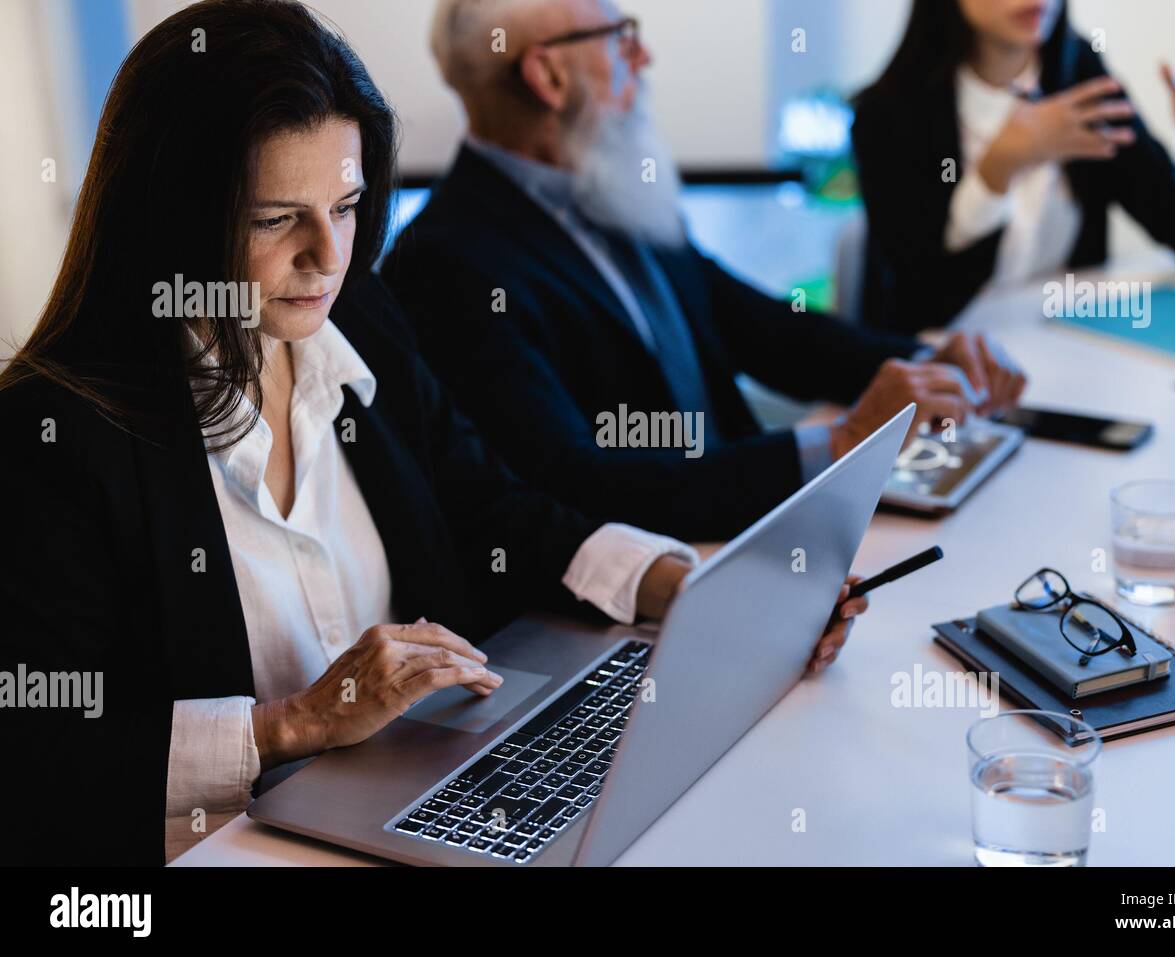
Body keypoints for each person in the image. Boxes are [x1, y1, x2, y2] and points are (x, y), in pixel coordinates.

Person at [0, 0, 865, 866]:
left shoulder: (358, 324)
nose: (328, 257)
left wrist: (687, 585)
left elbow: (494, 510)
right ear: (170, 221)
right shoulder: (53, 431)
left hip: (407, 801)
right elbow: (39, 750)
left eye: (344, 205)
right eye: (275, 219)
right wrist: (293, 723)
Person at [382, 0, 1027, 543]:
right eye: (619, 38)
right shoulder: (446, 264)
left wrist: (932, 361)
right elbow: (575, 483)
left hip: (749, 536)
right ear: (548, 76)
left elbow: (765, 329)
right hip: (658, 578)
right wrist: (841, 442)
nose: (644, 58)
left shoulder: (604, 184)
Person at [851, 0, 1175, 334]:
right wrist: (997, 170)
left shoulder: (1081, 77)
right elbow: (921, 306)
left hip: (1067, 353)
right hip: (944, 376)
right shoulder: (888, 116)